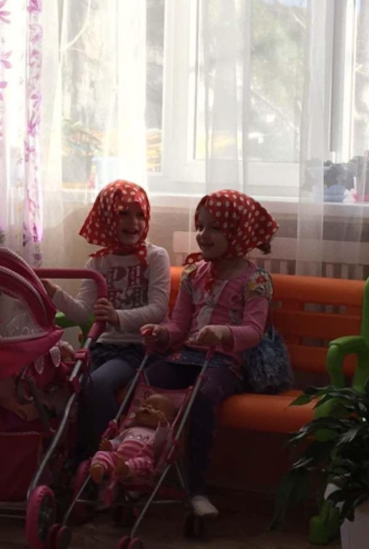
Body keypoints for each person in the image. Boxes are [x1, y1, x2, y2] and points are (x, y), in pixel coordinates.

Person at [140, 190, 278, 518]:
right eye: (200, 226)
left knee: (202, 397)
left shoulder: (256, 280)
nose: (203, 234)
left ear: (238, 231)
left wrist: (223, 333)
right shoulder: (193, 273)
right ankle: (138, 463)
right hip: (188, 356)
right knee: (146, 380)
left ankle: (197, 488)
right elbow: (179, 325)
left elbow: (254, 331)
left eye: (215, 227)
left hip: (225, 363)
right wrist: (162, 333)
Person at [43, 180, 171, 458]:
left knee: (97, 384)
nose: (133, 222)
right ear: (106, 217)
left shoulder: (155, 256)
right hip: (102, 347)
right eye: (123, 213)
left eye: (140, 214)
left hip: (138, 348)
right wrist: (54, 293)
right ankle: (73, 458)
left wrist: (117, 316)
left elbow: (159, 309)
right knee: (67, 383)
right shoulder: (98, 262)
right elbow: (84, 313)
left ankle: (112, 454)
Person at [89, 393, 175, 483]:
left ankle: (125, 469)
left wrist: (163, 424)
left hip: (139, 464)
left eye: (156, 408)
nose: (148, 407)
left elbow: (162, 436)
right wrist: (110, 445)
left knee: (143, 462)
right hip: (118, 458)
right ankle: (99, 467)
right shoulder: (130, 429)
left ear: (168, 419)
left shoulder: (157, 434)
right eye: (144, 405)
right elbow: (118, 441)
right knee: (101, 453)